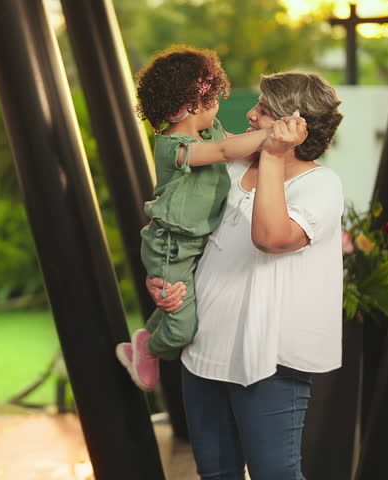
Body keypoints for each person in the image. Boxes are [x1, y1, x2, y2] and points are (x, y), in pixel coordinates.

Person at [150, 71, 345, 480]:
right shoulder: (231, 168)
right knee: (216, 473)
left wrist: (273, 155)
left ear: (295, 125)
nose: (251, 115)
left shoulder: (321, 185)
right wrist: (164, 280)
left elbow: (270, 237)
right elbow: (185, 233)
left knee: (274, 473)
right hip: (203, 352)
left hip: (268, 363)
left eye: (263, 110)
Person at [113, 45, 306, 392]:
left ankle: (153, 331)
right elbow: (221, 152)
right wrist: (270, 134)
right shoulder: (172, 146)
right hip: (171, 246)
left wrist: (273, 147)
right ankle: (148, 348)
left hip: (198, 243)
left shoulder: (210, 130)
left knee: (179, 303)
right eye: (215, 98)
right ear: (193, 105)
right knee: (182, 327)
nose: (218, 106)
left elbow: (233, 144)